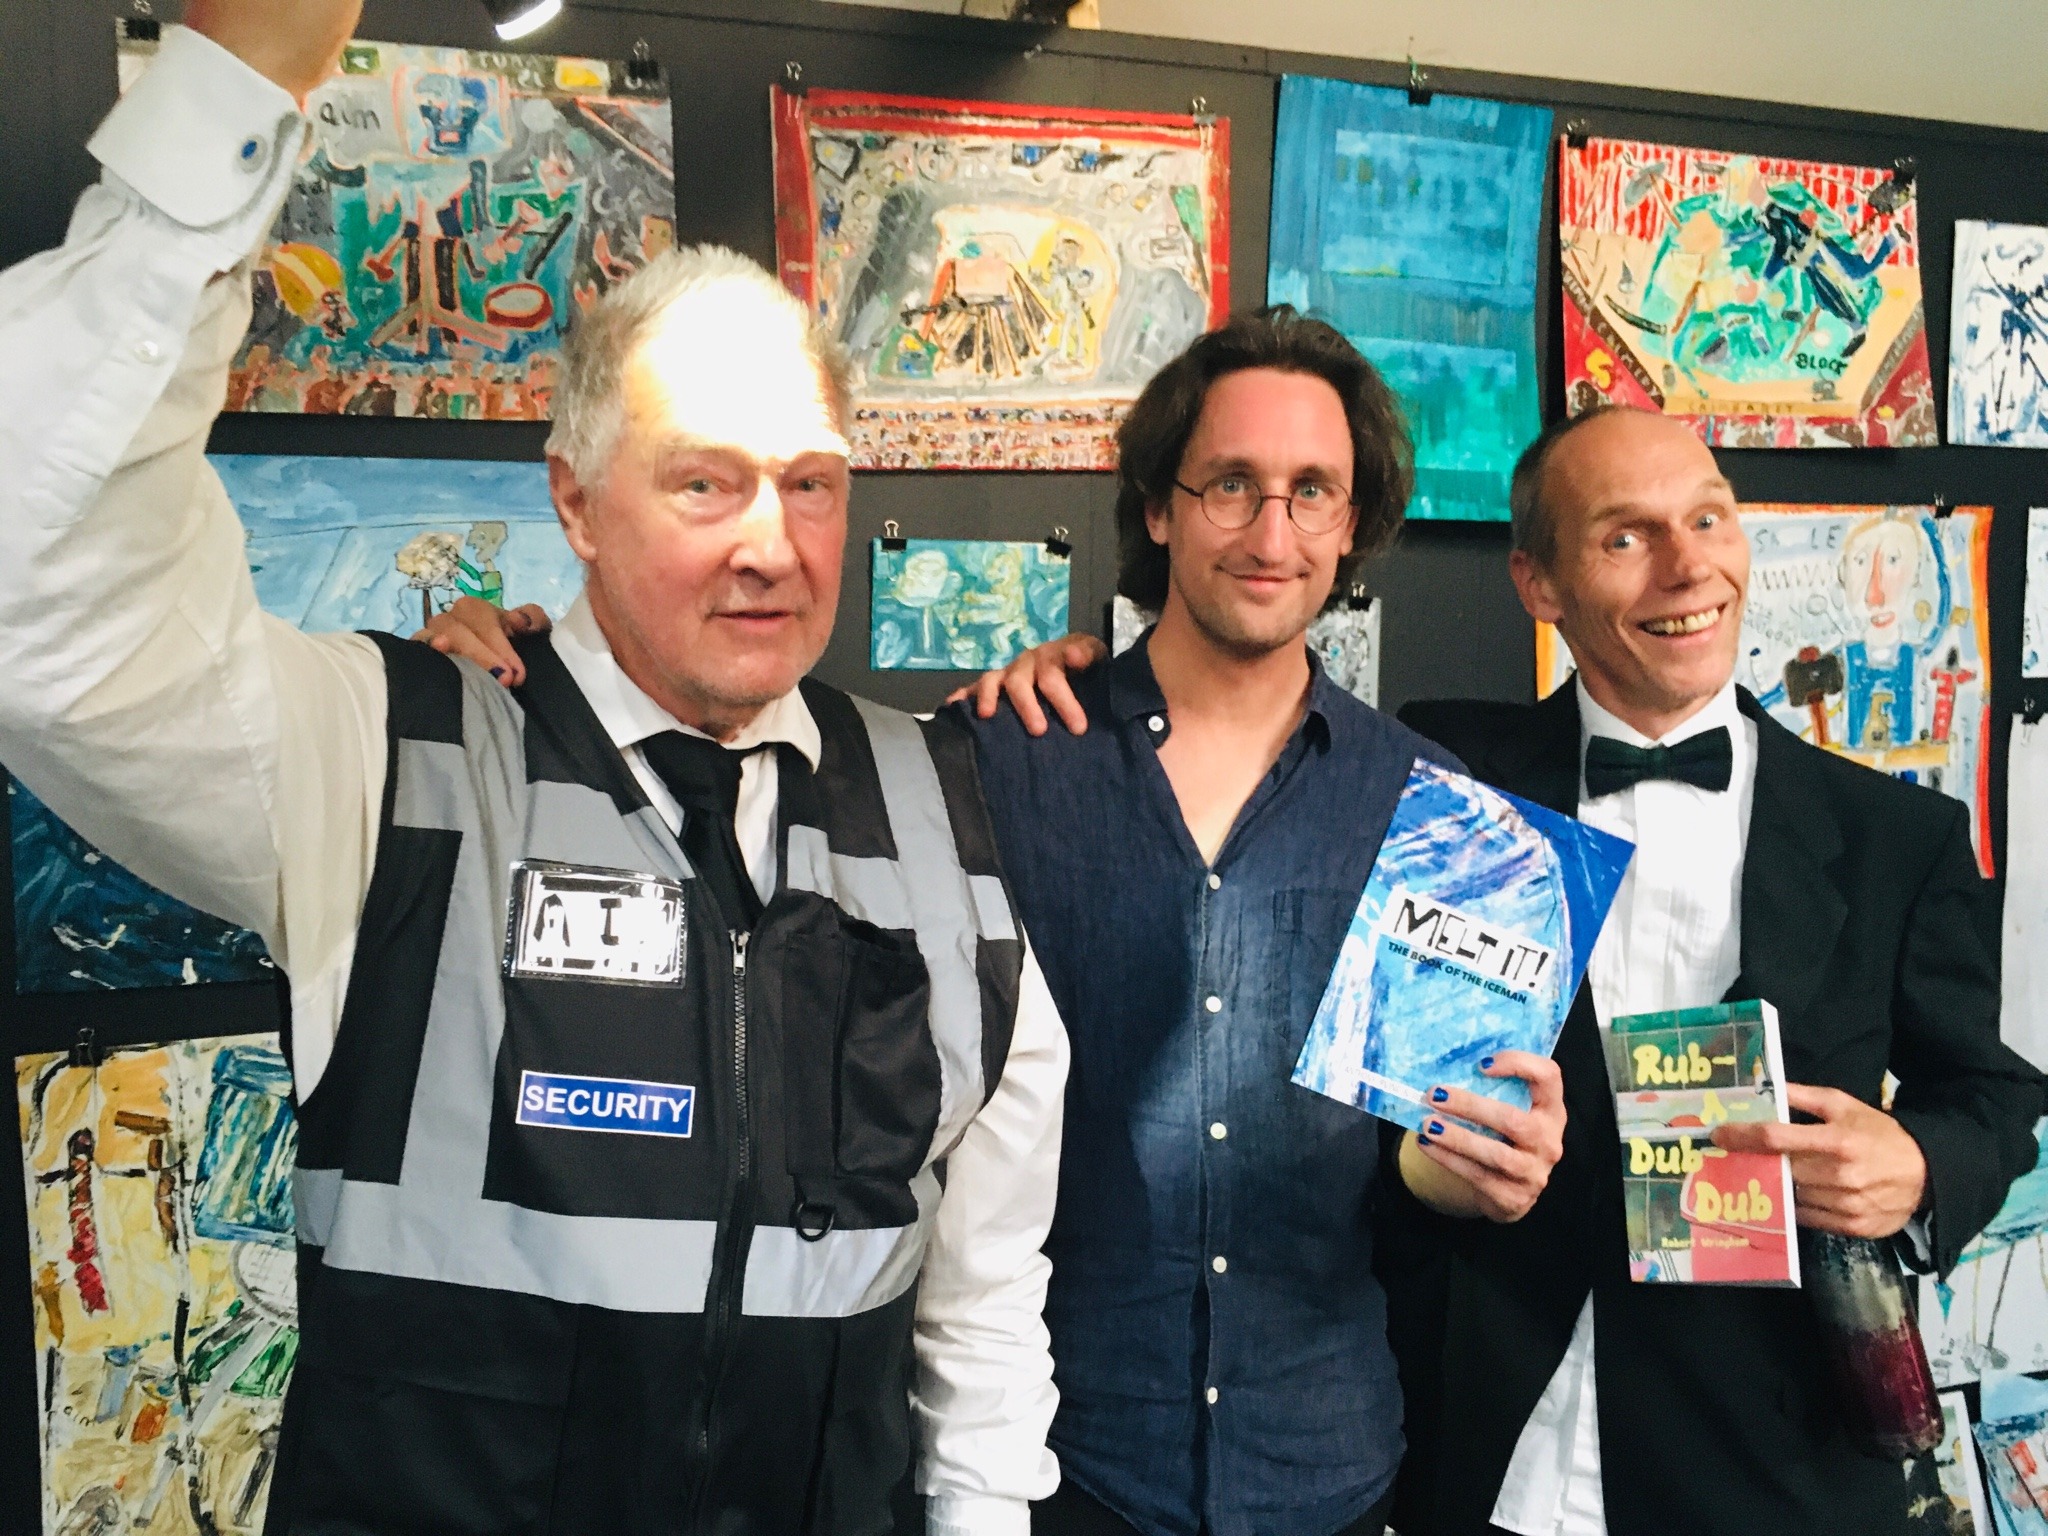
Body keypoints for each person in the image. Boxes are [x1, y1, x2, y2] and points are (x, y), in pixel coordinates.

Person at [0, 5, 1065, 1532]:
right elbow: (34, 574)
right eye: (705, 482)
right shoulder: (392, 764)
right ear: (573, 502)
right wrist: (228, 93)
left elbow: (982, 1324)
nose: (772, 545)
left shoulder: (945, 815)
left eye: (812, 484)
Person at [442, 307, 1570, 1536]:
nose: (1269, 531)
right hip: (1048, 1466)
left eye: (1312, 492)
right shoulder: (993, 758)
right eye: (1229, 485)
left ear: (1352, 523)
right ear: (1158, 506)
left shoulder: (1440, 815)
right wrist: (527, 663)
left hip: (1327, 1467)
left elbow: (1414, 1169)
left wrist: (1472, 1175)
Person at [971, 403, 2042, 1536]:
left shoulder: (1893, 838)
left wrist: (1917, 1168)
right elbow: (1237, 717)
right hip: (1483, 1445)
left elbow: (1990, 1094)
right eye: (1623, 536)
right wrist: (1066, 682)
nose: (1686, 568)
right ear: (1537, 583)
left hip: (1772, 1467)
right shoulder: (1443, 777)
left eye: (1707, 520)